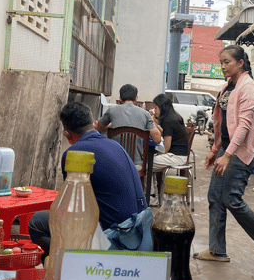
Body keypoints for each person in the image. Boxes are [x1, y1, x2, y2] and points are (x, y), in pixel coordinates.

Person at [194, 45, 254, 266]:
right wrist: (216, 150)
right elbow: (220, 121)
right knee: (215, 197)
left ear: (240, 62)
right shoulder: (228, 87)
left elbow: (243, 126)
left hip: (240, 152)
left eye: (227, 62)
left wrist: (227, 155)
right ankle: (217, 250)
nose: (223, 66)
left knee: (231, 199)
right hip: (226, 150)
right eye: (221, 62)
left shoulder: (249, 88)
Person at [28, 102, 148, 258]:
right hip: (140, 232)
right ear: (95, 124)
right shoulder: (116, 146)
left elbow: (71, 209)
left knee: (37, 222)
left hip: (114, 237)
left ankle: (68, 267)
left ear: (67, 134)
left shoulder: (74, 153)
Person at [94, 84, 161, 166]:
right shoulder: (145, 114)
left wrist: (113, 125)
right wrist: (151, 118)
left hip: (114, 162)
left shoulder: (111, 111)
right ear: (136, 98)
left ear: (120, 98)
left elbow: (99, 128)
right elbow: (157, 139)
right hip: (135, 165)